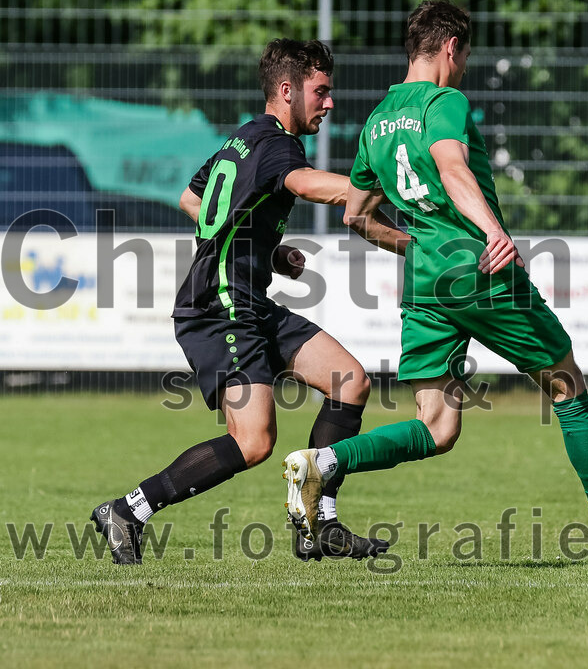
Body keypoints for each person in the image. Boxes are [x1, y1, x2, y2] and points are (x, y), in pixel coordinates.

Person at [281, 0, 588, 559]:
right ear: (451, 48)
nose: (463, 64)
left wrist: (414, 246)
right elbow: (452, 166)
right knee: (565, 381)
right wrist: (493, 231)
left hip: (426, 285)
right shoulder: (445, 101)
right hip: (480, 269)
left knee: (437, 427)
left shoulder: (377, 120)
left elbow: (356, 216)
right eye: (464, 55)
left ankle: (321, 461)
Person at [91, 38, 409, 564]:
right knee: (255, 440)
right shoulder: (278, 147)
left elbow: (192, 199)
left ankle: (318, 524)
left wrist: (265, 247)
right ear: (287, 91)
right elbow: (307, 186)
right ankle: (129, 509)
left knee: (350, 381)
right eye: (321, 92)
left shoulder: (242, 140)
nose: (330, 103)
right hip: (218, 307)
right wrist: (378, 184)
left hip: (246, 301)